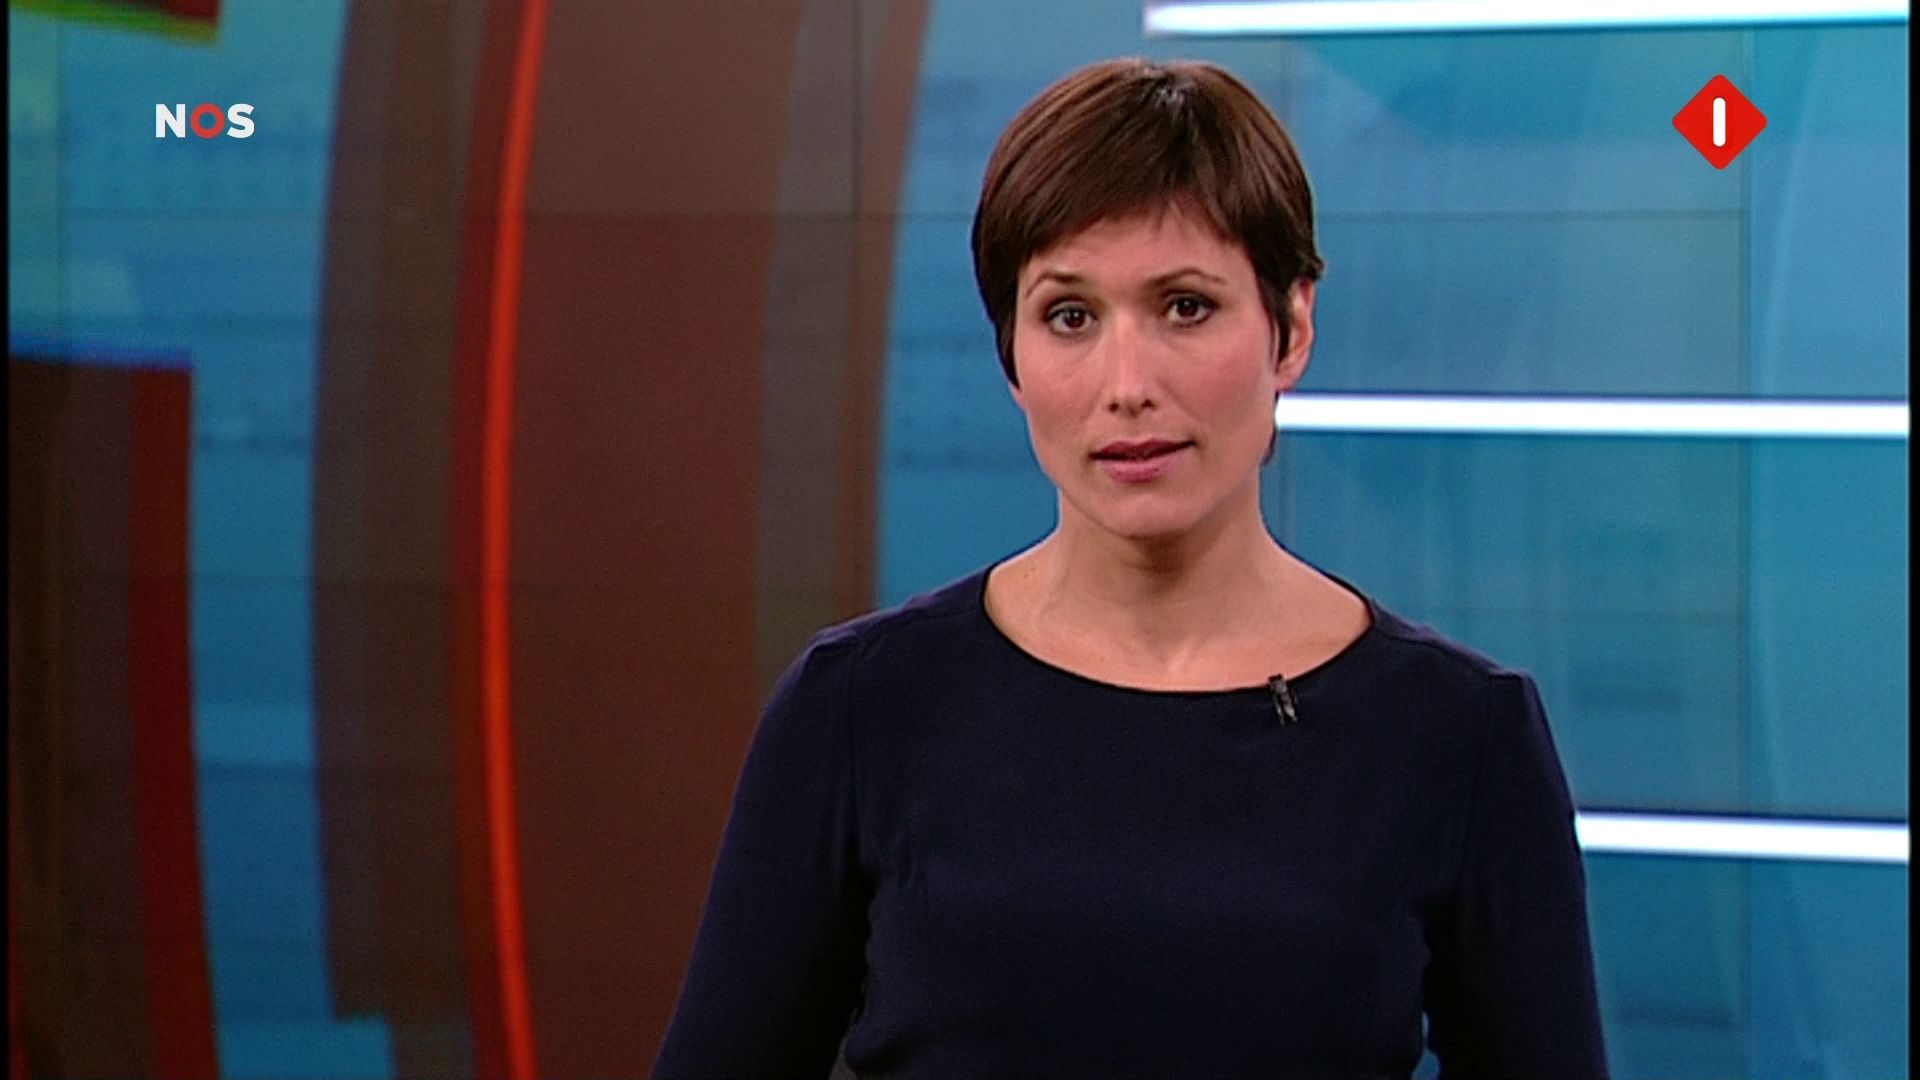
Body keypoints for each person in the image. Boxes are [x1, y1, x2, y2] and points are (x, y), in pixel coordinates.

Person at [655, 56, 1608, 1079]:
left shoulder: (1460, 736)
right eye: (1070, 316)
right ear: (1012, 355)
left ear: (1291, 328)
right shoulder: (861, 708)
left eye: (1186, 307)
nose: (1127, 384)